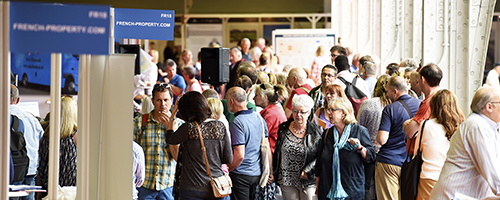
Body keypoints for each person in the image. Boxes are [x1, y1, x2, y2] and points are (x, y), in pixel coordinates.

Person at [430, 86, 500, 199]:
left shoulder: (487, 126)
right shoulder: (477, 126)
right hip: (455, 194)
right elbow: (491, 169)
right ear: (489, 107)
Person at [165, 92, 233, 200]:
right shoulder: (220, 126)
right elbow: (228, 158)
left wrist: (173, 114)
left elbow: (170, 139)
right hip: (217, 187)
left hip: (191, 189)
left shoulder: (189, 128)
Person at [315, 97, 376, 200]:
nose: (329, 113)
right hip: (327, 191)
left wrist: (360, 148)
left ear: (343, 113)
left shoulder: (359, 131)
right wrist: (317, 186)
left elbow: (371, 157)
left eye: (332, 110)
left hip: (352, 190)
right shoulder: (327, 134)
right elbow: (319, 164)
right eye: (328, 109)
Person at [412, 89, 465, 200]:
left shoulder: (427, 125)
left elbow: (417, 151)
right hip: (453, 179)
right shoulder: (462, 127)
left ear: (434, 105)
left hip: (429, 177)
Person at [375, 76, 421, 200]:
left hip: (389, 161)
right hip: (410, 161)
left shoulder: (390, 109)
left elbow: (382, 139)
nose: (386, 94)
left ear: (395, 91)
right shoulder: (420, 105)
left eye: (387, 91)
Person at [133, 83, 182, 200]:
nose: (163, 104)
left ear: (172, 100)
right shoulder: (140, 122)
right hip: (144, 185)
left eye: (166, 100)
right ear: (153, 101)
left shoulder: (179, 125)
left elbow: (178, 157)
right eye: (159, 100)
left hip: (168, 185)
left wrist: (170, 130)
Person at [273, 95, 323, 200]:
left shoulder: (317, 131)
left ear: (309, 112)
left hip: (308, 180)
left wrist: (308, 170)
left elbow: (320, 156)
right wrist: (274, 171)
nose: (298, 115)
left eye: (302, 112)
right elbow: (277, 152)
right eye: (295, 111)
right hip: (286, 179)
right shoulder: (283, 128)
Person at [225, 87, 270, 200]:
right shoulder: (259, 117)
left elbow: (239, 155)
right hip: (257, 173)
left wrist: (228, 169)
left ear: (231, 101)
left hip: (240, 174)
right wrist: (270, 171)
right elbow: (266, 147)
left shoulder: (237, 122)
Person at [356, 74, 392, 200]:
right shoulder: (395, 106)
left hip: (368, 150)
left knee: (368, 186)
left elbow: (359, 127)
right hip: (388, 153)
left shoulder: (368, 104)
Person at [37, 96, 78, 199]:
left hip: (51, 188)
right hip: (72, 191)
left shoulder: (47, 135)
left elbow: (42, 165)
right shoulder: (78, 136)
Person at [9, 84, 44, 200]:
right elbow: (41, 144)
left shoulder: (4, 117)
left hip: (12, 172)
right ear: (18, 100)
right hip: (30, 170)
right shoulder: (32, 119)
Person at [403, 63, 443, 156]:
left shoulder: (428, 103)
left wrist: (406, 124)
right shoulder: (443, 97)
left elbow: (410, 132)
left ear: (422, 80)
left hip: (424, 155)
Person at [254, 83, 288, 154]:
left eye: (256, 95)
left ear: (264, 97)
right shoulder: (273, 110)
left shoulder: (270, 114)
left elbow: (259, 137)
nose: (254, 98)